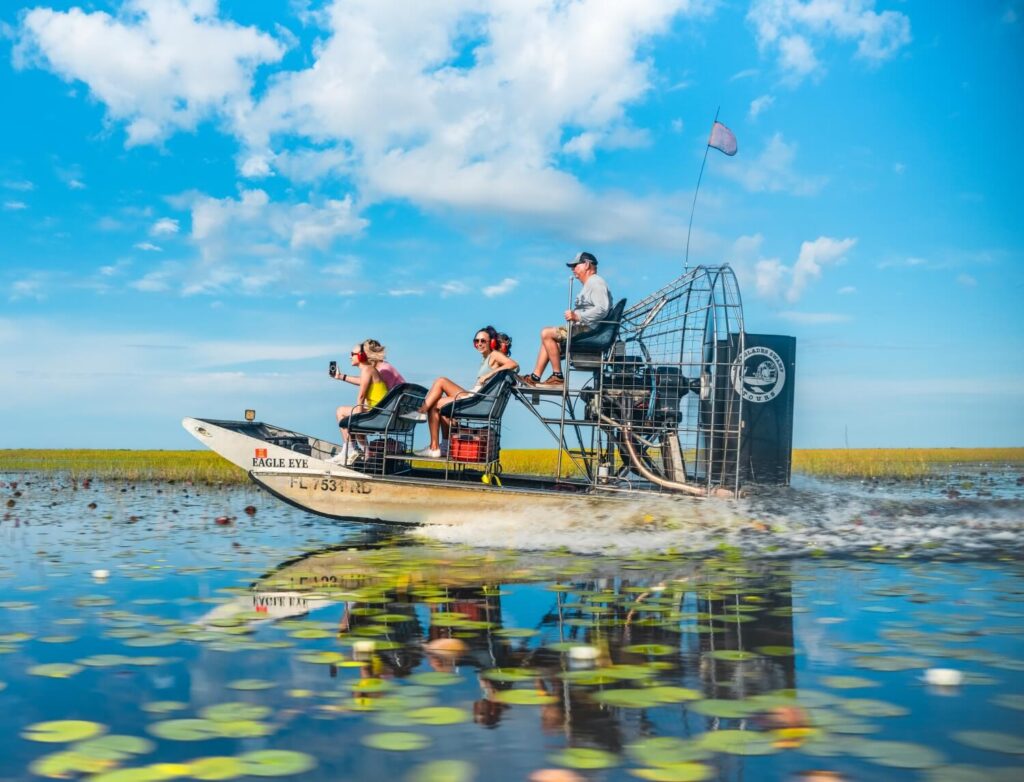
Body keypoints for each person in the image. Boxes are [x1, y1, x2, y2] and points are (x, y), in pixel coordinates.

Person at [401, 326, 519, 458]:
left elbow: (513, 364)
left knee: (436, 403)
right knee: (441, 382)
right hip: (474, 395)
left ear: (491, 342)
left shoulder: (494, 355)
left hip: (477, 399)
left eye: (483, 341)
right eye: (476, 341)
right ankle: (443, 444)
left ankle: (433, 445)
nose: (479, 344)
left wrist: (488, 375)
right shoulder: (486, 358)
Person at [521, 251, 612, 389]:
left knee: (546, 333)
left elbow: (602, 308)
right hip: (584, 328)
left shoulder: (596, 282)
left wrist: (578, 316)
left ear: (587, 265)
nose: (573, 269)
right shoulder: (590, 284)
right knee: (548, 339)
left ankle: (558, 377)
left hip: (587, 330)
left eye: (576, 265)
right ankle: (535, 377)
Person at [330, 340, 390, 465]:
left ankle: (349, 449)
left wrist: (358, 416)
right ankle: (366, 453)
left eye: (352, 354)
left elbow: (361, 397)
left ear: (361, 356)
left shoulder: (367, 370)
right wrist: (341, 376)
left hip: (376, 414)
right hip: (379, 412)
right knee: (355, 416)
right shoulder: (370, 370)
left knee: (341, 411)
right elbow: (362, 381)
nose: (350, 357)